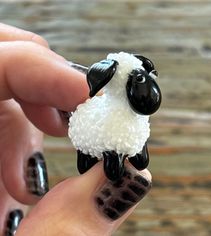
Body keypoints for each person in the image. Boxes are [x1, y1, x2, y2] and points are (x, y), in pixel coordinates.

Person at [0, 23, 152, 236]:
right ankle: (101, 160)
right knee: (109, 169)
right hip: (94, 134)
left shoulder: (136, 121)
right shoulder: (100, 120)